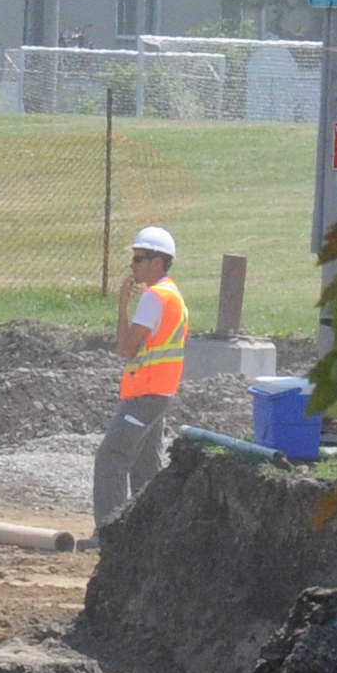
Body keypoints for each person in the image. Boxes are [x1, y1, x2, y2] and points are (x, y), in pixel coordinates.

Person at [95, 228, 194, 535]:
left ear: (158, 262)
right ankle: (147, 533)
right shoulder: (172, 294)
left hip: (146, 392)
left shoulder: (154, 297)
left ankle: (109, 534)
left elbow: (126, 348)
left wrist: (122, 305)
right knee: (144, 466)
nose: (133, 265)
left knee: (112, 457)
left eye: (139, 258)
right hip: (158, 392)